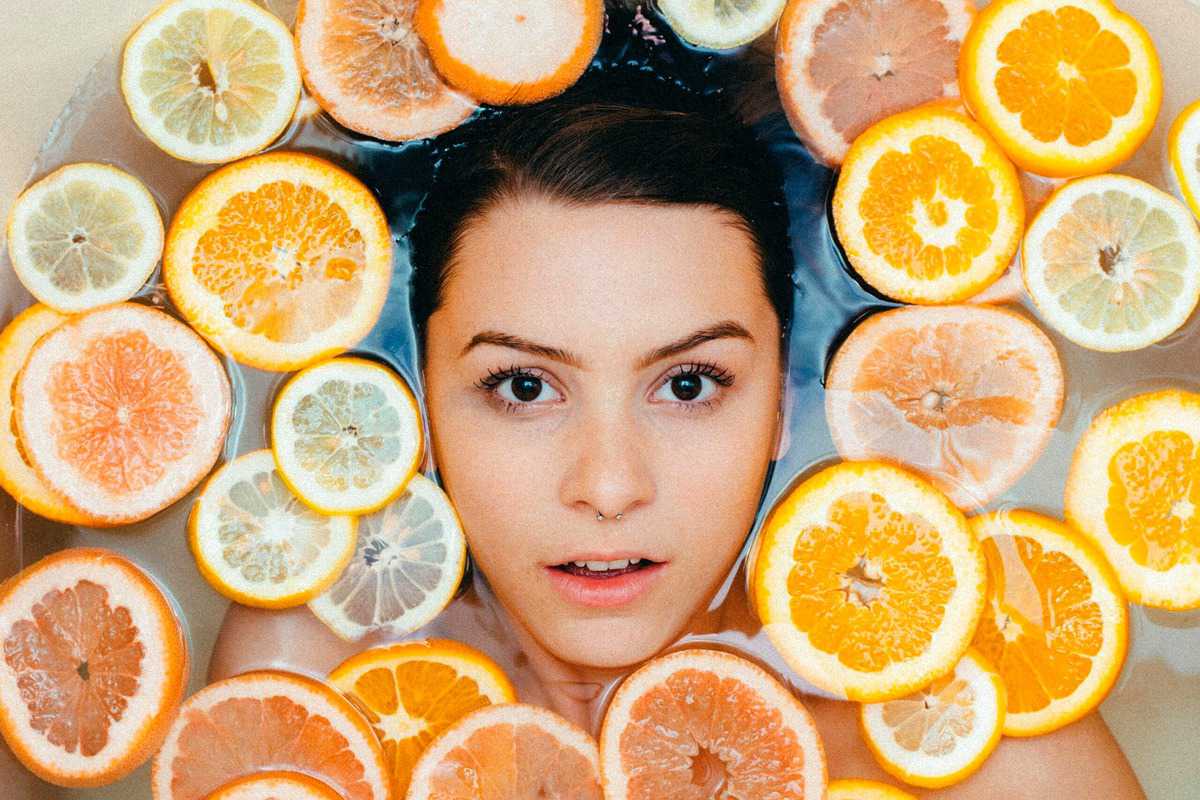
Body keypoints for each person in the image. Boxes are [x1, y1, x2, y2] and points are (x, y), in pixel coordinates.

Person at [209, 73, 1145, 797]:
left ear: (782, 402)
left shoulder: (969, 740)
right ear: (420, 407)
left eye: (689, 384)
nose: (609, 485)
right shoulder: (317, 690)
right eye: (523, 385)